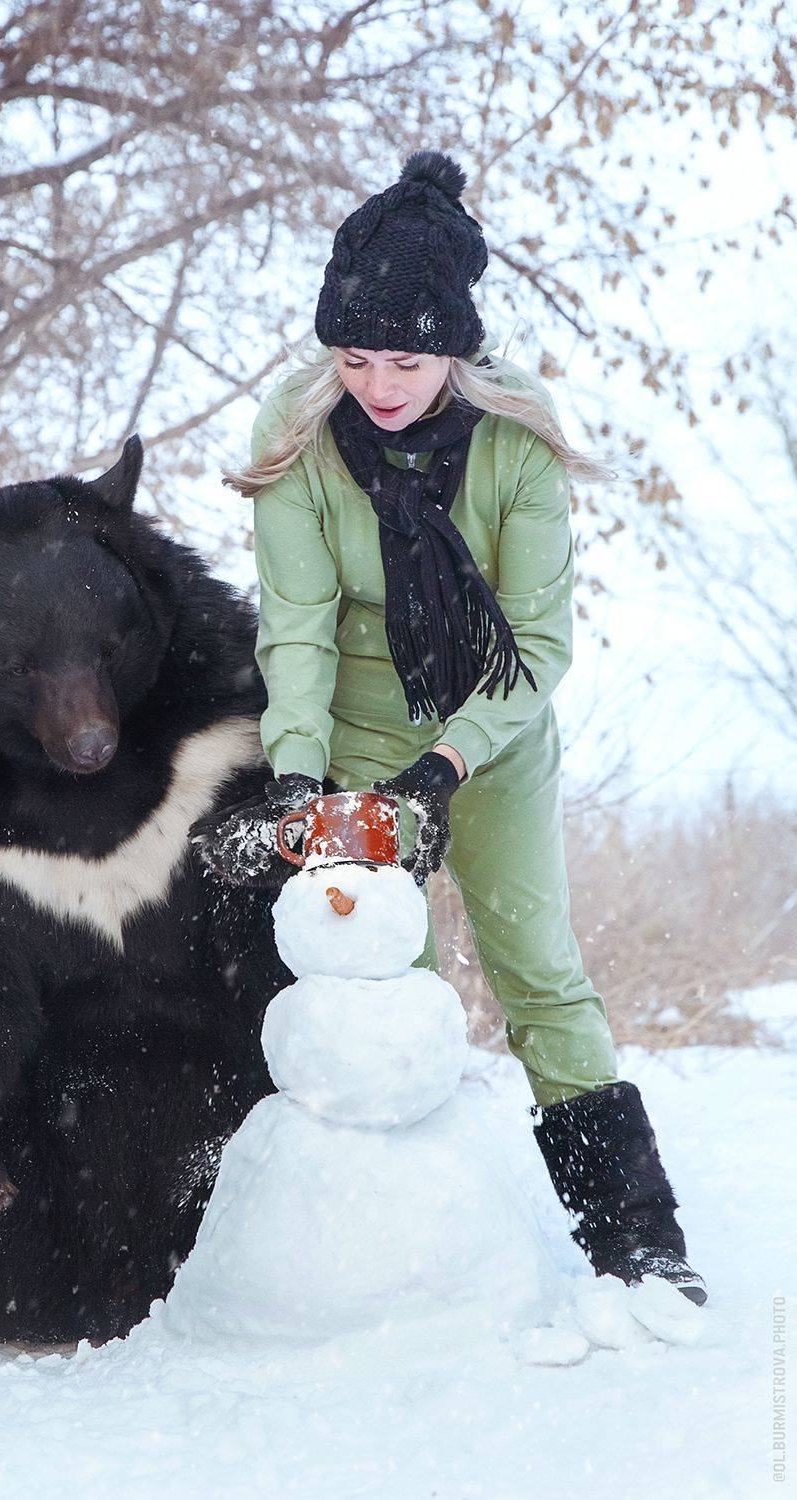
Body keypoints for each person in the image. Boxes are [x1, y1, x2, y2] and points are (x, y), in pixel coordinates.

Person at [189, 150, 705, 1305]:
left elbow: (545, 647)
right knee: (381, 977)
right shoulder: (299, 430)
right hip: (358, 725)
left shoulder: (517, 441)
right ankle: (401, 1260)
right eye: (355, 355)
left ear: (455, 351)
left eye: (407, 359)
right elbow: (301, 629)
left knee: (536, 967)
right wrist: (300, 779)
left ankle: (634, 1236)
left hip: (494, 724)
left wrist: (447, 764)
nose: (378, 382)